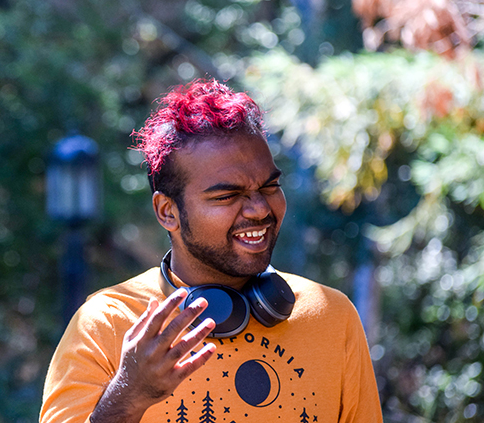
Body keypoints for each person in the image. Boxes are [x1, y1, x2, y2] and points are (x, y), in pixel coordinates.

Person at [40, 79, 382, 423]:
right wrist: (128, 396)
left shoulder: (332, 317)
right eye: (226, 196)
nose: (260, 209)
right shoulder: (108, 324)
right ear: (167, 212)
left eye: (270, 186)